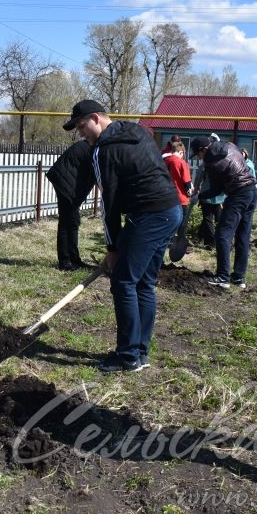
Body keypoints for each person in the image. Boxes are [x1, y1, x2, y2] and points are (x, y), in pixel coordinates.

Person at [64, 100, 182, 372]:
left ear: (96, 118)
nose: (82, 134)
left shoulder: (102, 151)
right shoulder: (137, 131)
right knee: (144, 283)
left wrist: (112, 247)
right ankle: (140, 352)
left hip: (149, 215)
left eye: (82, 127)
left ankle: (128, 356)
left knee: (123, 282)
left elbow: (109, 202)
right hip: (170, 210)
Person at [191, 135, 257, 290]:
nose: (199, 158)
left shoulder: (212, 162)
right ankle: (239, 277)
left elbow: (216, 190)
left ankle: (223, 277)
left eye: (198, 154)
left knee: (223, 234)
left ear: (204, 149)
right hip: (252, 191)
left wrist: (199, 196)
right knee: (243, 235)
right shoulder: (229, 146)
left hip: (238, 194)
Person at [47, 139, 95, 271]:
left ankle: (74, 259)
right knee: (67, 222)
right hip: (64, 181)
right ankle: (65, 262)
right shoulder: (94, 147)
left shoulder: (94, 145)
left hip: (66, 180)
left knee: (72, 221)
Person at [162, 140, 192, 247]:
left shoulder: (164, 161)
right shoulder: (181, 163)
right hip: (181, 197)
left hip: (166, 196)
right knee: (182, 221)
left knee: (168, 219)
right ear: (181, 152)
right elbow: (187, 182)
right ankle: (179, 242)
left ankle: (167, 239)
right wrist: (190, 193)